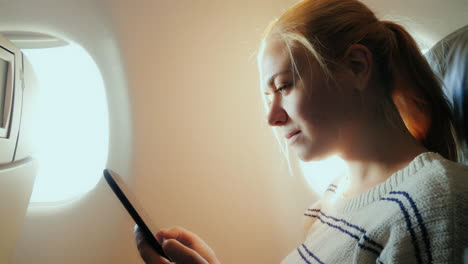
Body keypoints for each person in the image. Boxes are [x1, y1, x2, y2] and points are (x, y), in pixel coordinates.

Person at [134, 0, 468, 263]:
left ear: (356, 67)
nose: (271, 117)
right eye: (268, 96)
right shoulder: (330, 202)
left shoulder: (434, 199)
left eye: (284, 86)